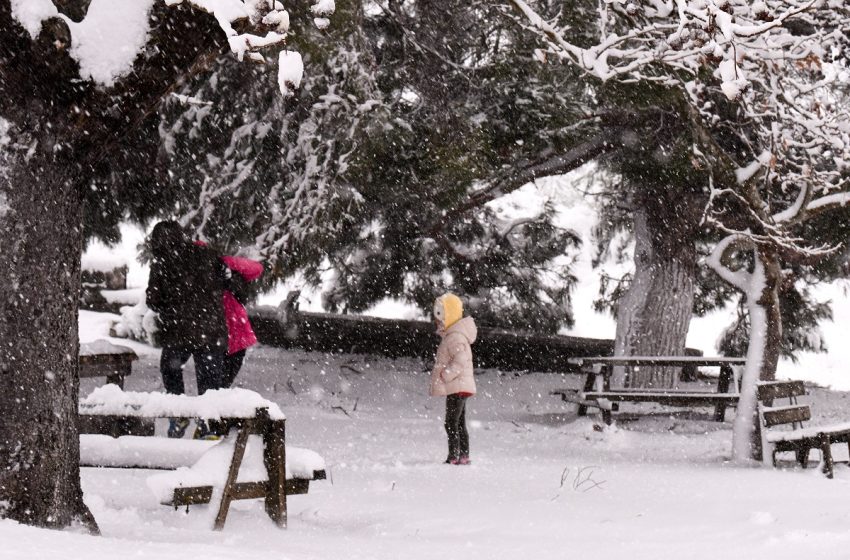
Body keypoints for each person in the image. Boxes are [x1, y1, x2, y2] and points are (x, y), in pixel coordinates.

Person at [145, 221, 228, 438]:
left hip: (179, 331)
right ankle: (208, 425)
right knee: (210, 380)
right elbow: (226, 280)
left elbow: (153, 300)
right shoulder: (207, 254)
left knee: (170, 369)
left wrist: (169, 305)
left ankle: (178, 412)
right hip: (212, 329)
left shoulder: (161, 263)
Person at [430, 293, 477, 465]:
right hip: (459, 386)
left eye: (440, 317)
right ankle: (463, 456)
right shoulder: (453, 335)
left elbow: (461, 359)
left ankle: (454, 456)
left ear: (449, 315)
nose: (438, 321)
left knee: (451, 422)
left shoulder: (455, 337)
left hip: (457, 386)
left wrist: (446, 374)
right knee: (458, 422)